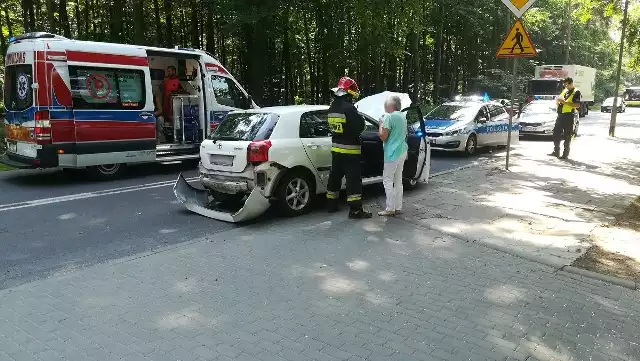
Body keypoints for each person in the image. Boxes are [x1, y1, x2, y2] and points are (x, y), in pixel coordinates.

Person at [326, 76, 372, 219]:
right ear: (349, 92)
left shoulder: (333, 107)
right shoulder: (349, 108)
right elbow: (359, 127)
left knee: (335, 177)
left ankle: (331, 204)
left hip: (336, 149)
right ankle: (355, 210)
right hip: (350, 150)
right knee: (353, 180)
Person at [377, 95, 408, 217]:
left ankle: (390, 208)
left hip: (392, 153)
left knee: (387, 180)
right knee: (398, 180)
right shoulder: (402, 116)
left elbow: (383, 136)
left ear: (391, 105)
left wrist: (380, 124)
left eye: (386, 103)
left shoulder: (388, 117)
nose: (385, 105)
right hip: (402, 151)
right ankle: (398, 207)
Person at [550, 77, 581, 159]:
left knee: (567, 135)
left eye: (566, 85)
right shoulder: (565, 90)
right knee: (556, 133)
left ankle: (565, 154)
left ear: (571, 83)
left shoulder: (576, 92)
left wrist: (565, 102)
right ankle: (556, 151)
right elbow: (560, 99)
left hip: (569, 116)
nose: (565, 86)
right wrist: (558, 100)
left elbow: (577, 105)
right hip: (560, 115)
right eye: (564, 85)